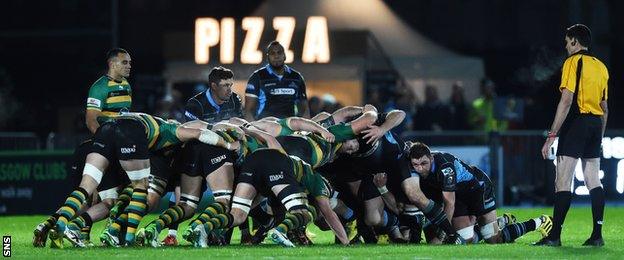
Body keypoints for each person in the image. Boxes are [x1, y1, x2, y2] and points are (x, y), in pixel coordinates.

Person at [536, 24, 609, 247]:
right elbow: (604, 107)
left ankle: (555, 236)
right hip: (596, 124)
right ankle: (597, 235)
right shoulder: (601, 67)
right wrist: (599, 137)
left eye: (568, 42)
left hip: (576, 123)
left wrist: (551, 135)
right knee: (593, 180)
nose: (566, 46)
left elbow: (566, 100)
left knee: (563, 180)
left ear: (575, 42)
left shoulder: (572, 62)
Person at [407, 142, 553, 244]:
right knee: (465, 239)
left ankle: (540, 222)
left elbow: (449, 203)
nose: (420, 169)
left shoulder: (445, 167)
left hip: (478, 189)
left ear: (431, 158)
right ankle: (500, 221)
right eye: (416, 165)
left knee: (494, 239)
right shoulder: (416, 169)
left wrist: (443, 234)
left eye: (424, 164)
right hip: (459, 195)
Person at [244, 41, 309, 121]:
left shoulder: (297, 77)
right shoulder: (257, 77)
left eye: (279, 53)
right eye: (272, 53)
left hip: (290, 128)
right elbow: (248, 110)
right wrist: (254, 131)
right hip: (265, 128)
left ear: (284, 56)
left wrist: (304, 131)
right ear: (267, 57)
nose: (276, 56)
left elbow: (305, 109)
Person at [85, 48, 133, 134]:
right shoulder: (99, 87)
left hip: (124, 139)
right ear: (112, 64)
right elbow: (91, 121)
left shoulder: (126, 85)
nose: (129, 66)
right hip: (109, 140)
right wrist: (106, 141)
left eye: (129, 63)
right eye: (124, 62)